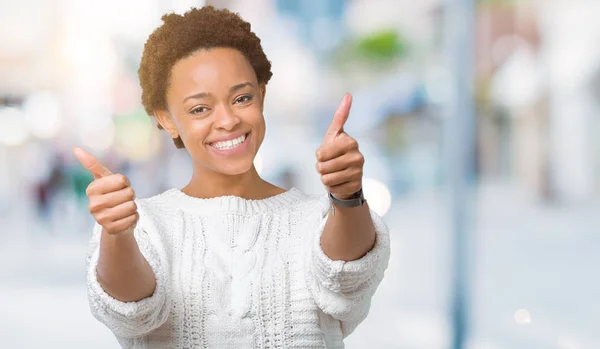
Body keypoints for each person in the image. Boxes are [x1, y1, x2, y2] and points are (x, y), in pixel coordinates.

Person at [73, 6, 390, 349]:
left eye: (242, 98)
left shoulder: (315, 219)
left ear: (262, 95)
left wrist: (346, 195)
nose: (227, 120)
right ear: (166, 119)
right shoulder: (147, 224)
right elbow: (132, 314)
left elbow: (346, 284)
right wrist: (118, 235)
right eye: (200, 109)